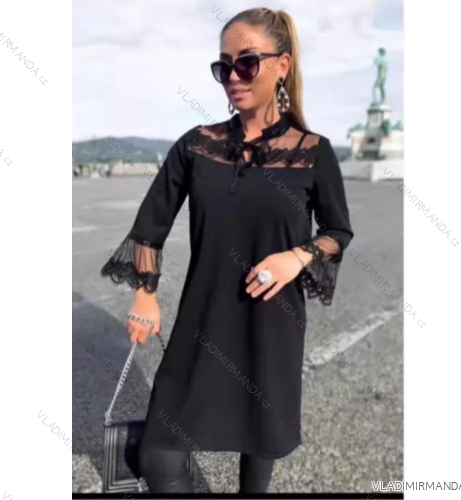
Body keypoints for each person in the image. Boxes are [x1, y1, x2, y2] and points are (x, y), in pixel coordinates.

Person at [101, 7, 353, 493]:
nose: (233, 77)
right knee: (158, 458)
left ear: (282, 65)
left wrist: (297, 256)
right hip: (202, 319)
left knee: (258, 448)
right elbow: (150, 225)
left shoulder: (313, 152)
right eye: (224, 67)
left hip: (272, 325)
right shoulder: (198, 145)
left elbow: (337, 232)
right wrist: (145, 295)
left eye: (246, 63)